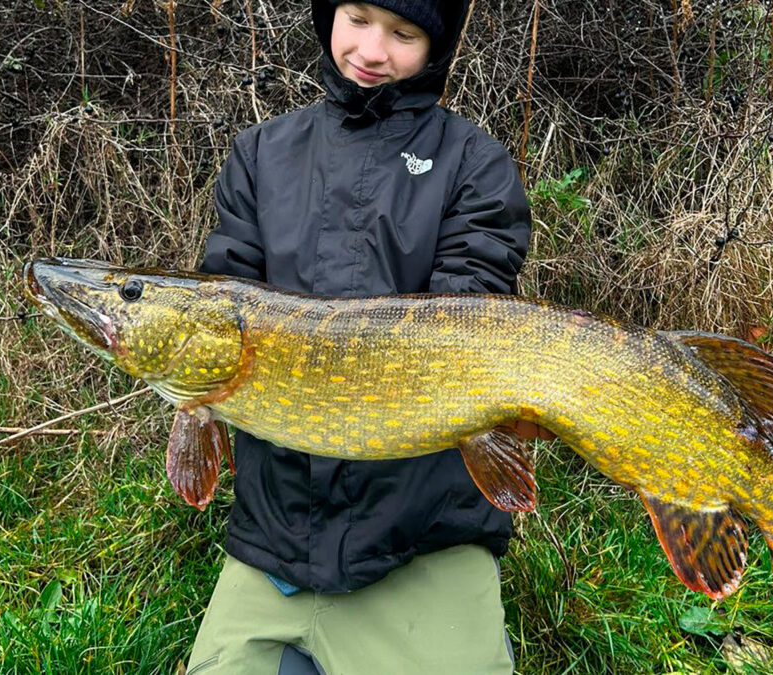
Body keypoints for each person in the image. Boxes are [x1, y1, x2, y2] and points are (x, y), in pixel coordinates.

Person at [188, 2, 533, 673]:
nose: (373, 50)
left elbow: (464, 333)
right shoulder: (260, 155)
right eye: (357, 17)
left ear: (435, 47)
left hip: (424, 530)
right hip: (274, 538)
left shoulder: (475, 166)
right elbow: (221, 305)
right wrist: (194, 393)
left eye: (404, 34)